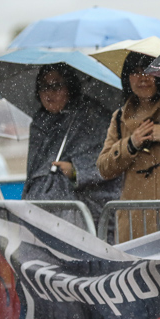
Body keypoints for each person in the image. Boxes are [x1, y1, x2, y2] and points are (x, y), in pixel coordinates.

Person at [97, 52, 160, 242]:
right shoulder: (119, 117)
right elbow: (104, 168)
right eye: (135, 72)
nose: (142, 78)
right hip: (134, 220)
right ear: (127, 78)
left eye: (149, 71)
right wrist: (131, 144)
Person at [22, 64, 121, 228]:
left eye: (56, 85)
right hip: (41, 210)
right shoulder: (40, 122)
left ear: (70, 87)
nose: (49, 92)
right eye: (44, 86)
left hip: (85, 211)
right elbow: (33, 172)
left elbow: (110, 163)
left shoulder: (92, 116)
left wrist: (76, 172)